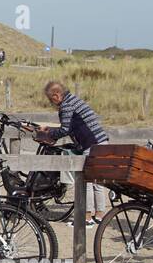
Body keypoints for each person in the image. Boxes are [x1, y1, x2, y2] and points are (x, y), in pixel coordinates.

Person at [38, 81, 110, 224]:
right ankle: (100, 215)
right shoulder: (74, 100)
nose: (51, 103)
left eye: (51, 99)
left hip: (90, 144)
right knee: (97, 182)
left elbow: (65, 129)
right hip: (101, 141)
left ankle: (87, 217)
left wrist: (48, 133)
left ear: (56, 96)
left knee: (86, 181)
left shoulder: (66, 105)